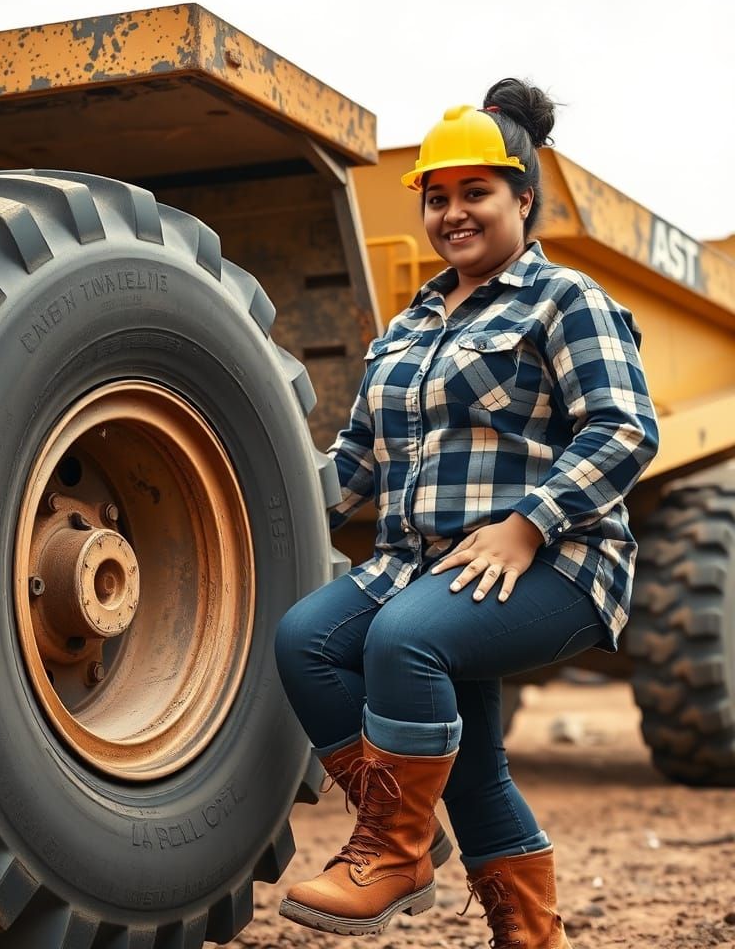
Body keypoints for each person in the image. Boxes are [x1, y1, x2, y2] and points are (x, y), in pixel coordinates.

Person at [274, 78, 659, 946]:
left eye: (475, 193)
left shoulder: (565, 301)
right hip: (428, 568)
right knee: (309, 643)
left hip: (555, 562)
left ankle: (394, 850)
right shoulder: (404, 329)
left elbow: (626, 429)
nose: (454, 213)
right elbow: (359, 463)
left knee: (402, 640)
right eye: (438, 198)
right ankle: (526, 933)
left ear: (523, 198)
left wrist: (527, 524)